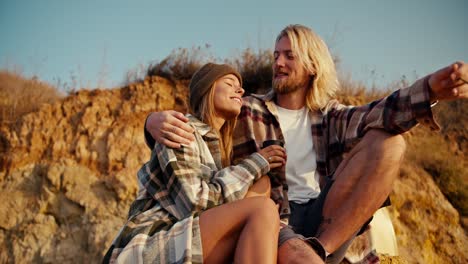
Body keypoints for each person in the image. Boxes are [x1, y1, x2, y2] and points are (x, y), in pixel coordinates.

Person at [144, 25, 468, 263]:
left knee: (390, 144)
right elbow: (206, 116)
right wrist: (151, 122)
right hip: (273, 219)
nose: (278, 63)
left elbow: (378, 113)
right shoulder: (249, 109)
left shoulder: (329, 116)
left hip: (325, 219)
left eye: (288, 55)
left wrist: (430, 91)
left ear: (312, 65)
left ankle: (321, 250)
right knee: (294, 249)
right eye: (275, 56)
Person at [104, 63, 288, 263]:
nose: (240, 90)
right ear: (206, 90)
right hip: (152, 247)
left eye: (240, 86)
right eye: (229, 83)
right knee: (262, 209)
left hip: (189, 239)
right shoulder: (180, 129)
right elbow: (195, 204)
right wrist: (256, 163)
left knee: (263, 188)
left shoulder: (219, 153)